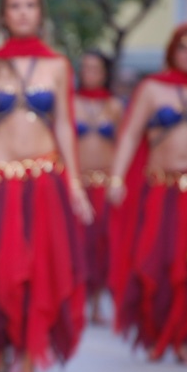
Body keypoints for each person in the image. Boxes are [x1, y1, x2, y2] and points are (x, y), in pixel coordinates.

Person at [0, 0, 92, 372]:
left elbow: (66, 126)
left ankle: (30, 362)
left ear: (39, 12)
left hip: (44, 178)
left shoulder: (57, 66)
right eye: (15, 5)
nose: (23, 12)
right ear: (4, 14)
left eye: (30, 5)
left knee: (39, 270)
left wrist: (76, 184)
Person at [108, 23, 187, 365]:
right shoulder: (152, 88)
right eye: (184, 47)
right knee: (156, 262)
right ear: (172, 50)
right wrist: (116, 178)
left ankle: (184, 336)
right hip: (161, 188)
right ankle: (158, 330)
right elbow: (129, 136)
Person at [74, 50, 123, 325]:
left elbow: (123, 144)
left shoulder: (115, 106)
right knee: (79, 245)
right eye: (86, 68)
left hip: (104, 184)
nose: (90, 73)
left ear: (105, 73)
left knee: (102, 246)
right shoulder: (71, 102)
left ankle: (97, 304)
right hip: (79, 185)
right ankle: (79, 301)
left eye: (96, 68)